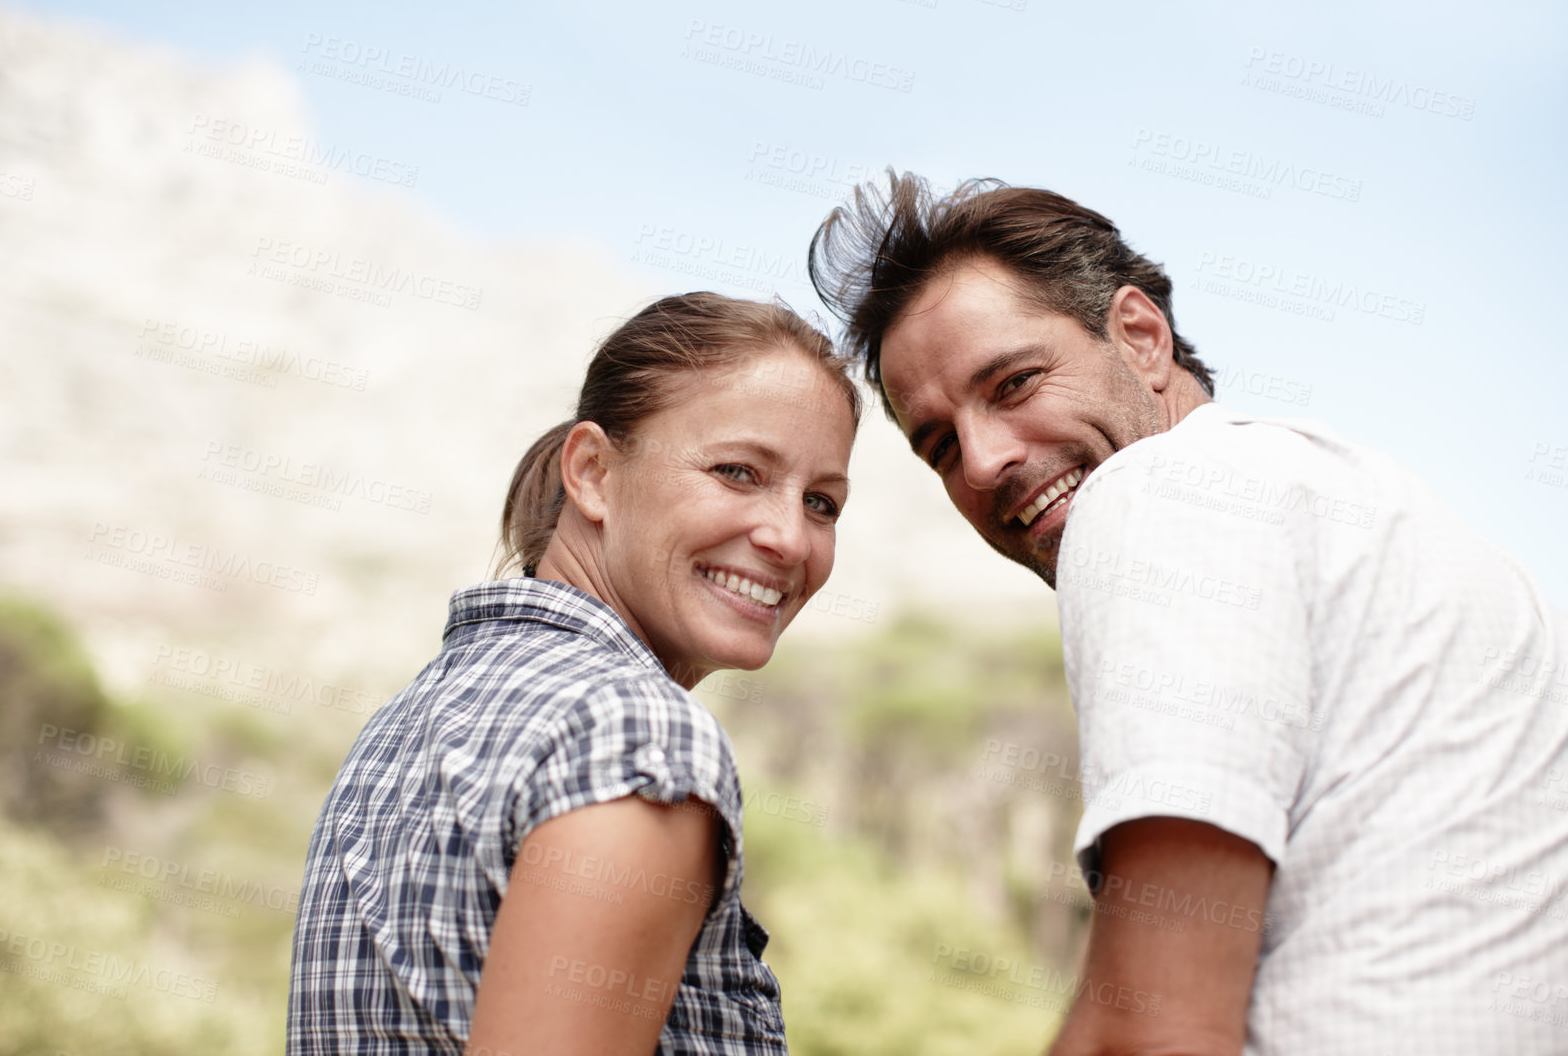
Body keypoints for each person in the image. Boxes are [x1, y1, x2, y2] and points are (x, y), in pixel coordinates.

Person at [809, 174, 1568, 1055]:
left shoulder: (1156, 492)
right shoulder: (1391, 519)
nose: (982, 464)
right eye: (939, 445)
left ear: (1140, 335)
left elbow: (1154, 1033)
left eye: (1014, 383)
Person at [286, 291, 859, 1056]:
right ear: (591, 472)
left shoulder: (410, 718)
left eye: (821, 502)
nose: (790, 537)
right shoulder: (637, 735)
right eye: (738, 471)